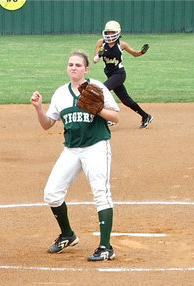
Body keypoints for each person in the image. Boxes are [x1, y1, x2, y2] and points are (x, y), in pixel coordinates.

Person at [30, 50, 120, 262]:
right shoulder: (60, 93)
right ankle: (68, 235)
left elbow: (115, 117)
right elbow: (47, 125)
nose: (74, 68)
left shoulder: (98, 88)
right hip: (71, 149)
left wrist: (98, 110)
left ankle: (106, 247)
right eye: (71, 65)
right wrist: (38, 108)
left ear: (86, 69)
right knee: (51, 194)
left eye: (78, 65)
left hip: (96, 147)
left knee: (101, 193)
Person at [92, 20, 153, 129]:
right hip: (110, 75)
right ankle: (146, 116)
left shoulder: (122, 44)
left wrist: (142, 52)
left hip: (119, 74)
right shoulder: (101, 42)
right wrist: (99, 55)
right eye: (108, 32)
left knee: (102, 90)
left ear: (118, 33)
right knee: (126, 100)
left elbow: (134, 54)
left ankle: (109, 117)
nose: (110, 35)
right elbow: (94, 60)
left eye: (112, 32)